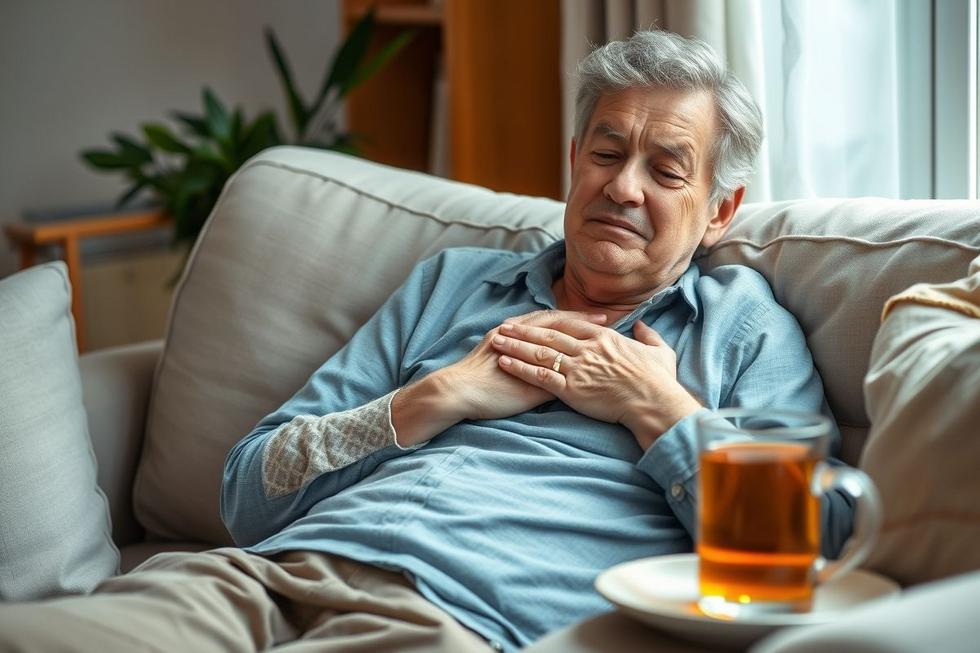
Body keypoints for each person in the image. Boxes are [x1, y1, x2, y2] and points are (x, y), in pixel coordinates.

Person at [0, 30, 853, 653]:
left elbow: (808, 539)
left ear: (720, 211)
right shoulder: (455, 285)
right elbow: (245, 492)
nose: (622, 187)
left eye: (666, 170)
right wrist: (434, 398)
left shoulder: (742, 325)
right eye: (605, 152)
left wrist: (657, 407)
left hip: (455, 621)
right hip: (260, 579)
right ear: (573, 160)